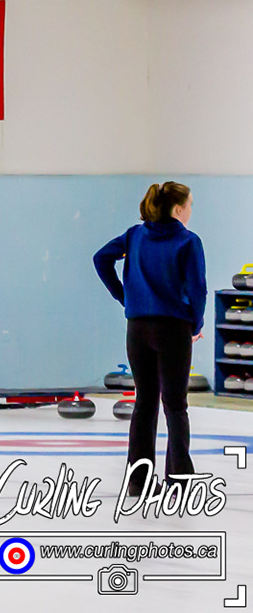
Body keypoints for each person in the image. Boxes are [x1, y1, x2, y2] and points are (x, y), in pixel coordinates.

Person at [95, 181, 206, 497]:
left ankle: (138, 481)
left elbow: (101, 259)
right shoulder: (189, 241)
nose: (191, 210)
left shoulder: (135, 235)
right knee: (175, 406)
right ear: (178, 209)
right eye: (190, 205)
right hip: (173, 330)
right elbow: (197, 289)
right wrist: (195, 324)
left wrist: (125, 298)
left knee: (144, 402)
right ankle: (180, 480)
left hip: (138, 329)